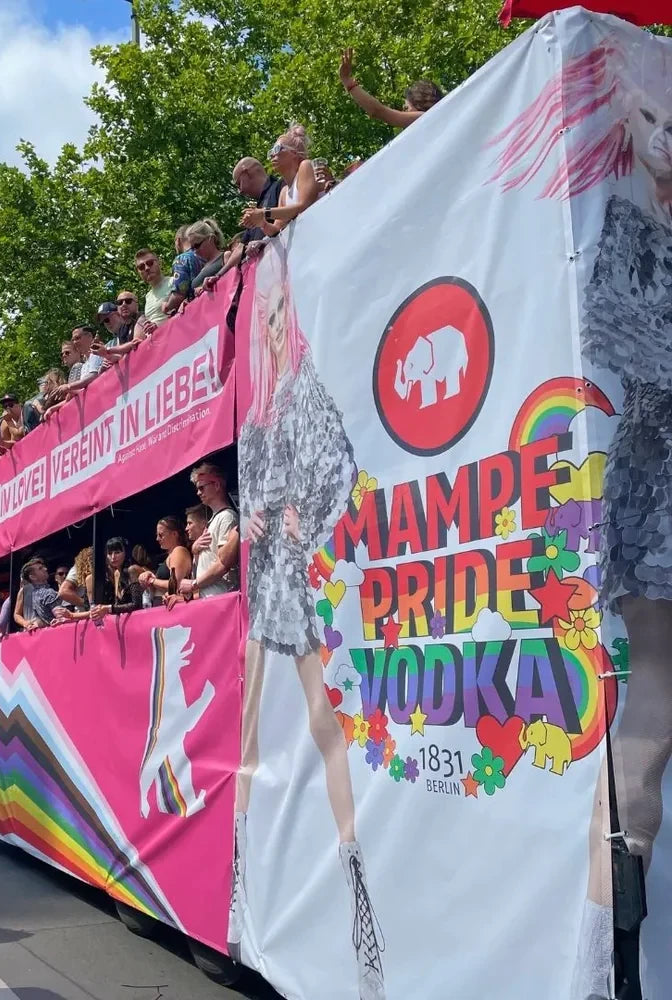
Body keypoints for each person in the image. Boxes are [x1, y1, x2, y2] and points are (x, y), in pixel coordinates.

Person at [489, 40, 672, 1000]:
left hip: (648, 464)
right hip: (655, 470)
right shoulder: (632, 238)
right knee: (656, 685)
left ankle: (622, 922)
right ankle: (621, 927)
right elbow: (620, 344)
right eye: (651, 122)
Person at [233, 238, 383, 997]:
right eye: (262, 310)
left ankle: (354, 864)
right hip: (261, 581)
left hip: (289, 579)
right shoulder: (256, 409)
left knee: (323, 722)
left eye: (278, 306)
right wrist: (255, 515)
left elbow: (341, 466)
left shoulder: (305, 389)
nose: (268, 320)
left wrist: (303, 516)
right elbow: (250, 490)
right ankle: (238, 877)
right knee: (252, 730)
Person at [240, 125, 318, 238]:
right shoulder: (284, 192)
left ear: (294, 153)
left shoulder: (305, 166)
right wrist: (261, 222)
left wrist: (263, 212)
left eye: (277, 149)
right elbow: (276, 229)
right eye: (271, 151)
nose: (272, 155)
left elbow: (304, 206)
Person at [339, 47, 443, 128]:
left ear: (420, 102)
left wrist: (347, 80)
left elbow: (378, 111)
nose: (404, 111)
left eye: (407, 108)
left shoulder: (424, 118)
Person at [179, 464, 240, 599]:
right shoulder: (216, 518)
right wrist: (195, 551)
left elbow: (223, 564)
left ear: (217, 485)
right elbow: (208, 564)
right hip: (210, 598)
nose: (198, 492)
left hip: (220, 598)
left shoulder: (226, 517)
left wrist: (193, 584)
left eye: (202, 487)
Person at [163, 220, 224, 315]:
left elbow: (179, 294)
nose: (195, 251)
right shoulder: (204, 260)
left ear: (178, 241)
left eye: (197, 246)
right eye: (193, 247)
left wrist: (167, 306)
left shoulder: (181, 259)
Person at [139, 517, 192, 598]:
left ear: (174, 534)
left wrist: (151, 580)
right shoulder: (171, 555)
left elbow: (176, 585)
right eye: (157, 535)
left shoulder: (178, 551)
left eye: (161, 535)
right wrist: (150, 575)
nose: (157, 539)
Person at [15, 558, 62, 629]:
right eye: (40, 568)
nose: (45, 569)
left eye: (43, 567)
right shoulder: (24, 590)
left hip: (42, 629)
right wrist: (25, 623)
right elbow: (17, 614)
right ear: (32, 577)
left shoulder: (49, 590)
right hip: (34, 630)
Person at [135, 249, 174, 332]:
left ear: (159, 263)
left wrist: (158, 326)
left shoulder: (174, 282)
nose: (147, 268)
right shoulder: (148, 297)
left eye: (150, 263)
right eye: (141, 267)